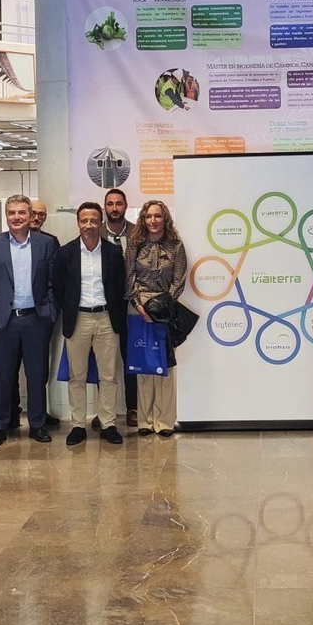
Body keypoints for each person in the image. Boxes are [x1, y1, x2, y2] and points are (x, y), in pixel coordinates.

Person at [0, 195, 57, 447]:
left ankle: (37, 424)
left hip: (36, 320)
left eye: (22, 213)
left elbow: (53, 283)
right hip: (3, 322)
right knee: (2, 377)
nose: (16, 217)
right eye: (11, 213)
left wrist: (49, 313)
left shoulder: (45, 244)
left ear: (30, 214)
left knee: (36, 376)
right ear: (6, 214)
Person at [54, 201, 127, 445]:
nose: (88, 225)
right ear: (78, 223)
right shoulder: (65, 253)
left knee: (108, 376)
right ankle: (77, 425)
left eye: (93, 220)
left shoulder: (113, 252)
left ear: (101, 222)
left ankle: (108, 423)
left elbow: (120, 286)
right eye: (84, 220)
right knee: (77, 376)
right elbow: (59, 289)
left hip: (107, 318)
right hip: (78, 319)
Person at [127, 199, 187, 437]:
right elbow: (128, 277)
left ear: (165, 219)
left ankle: (164, 421)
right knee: (144, 366)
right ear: (143, 219)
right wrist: (139, 306)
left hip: (164, 309)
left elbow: (179, 279)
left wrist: (162, 307)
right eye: (149, 216)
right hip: (137, 308)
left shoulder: (176, 245)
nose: (153, 221)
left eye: (158, 216)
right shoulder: (134, 244)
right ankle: (145, 420)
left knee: (165, 366)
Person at [102, 188, 137, 428]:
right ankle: (105, 412)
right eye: (110, 204)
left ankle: (133, 407)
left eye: (119, 203)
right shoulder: (96, 231)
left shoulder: (138, 233)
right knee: (104, 362)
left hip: (134, 306)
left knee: (130, 357)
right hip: (104, 305)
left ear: (125, 206)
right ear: (104, 207)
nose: (114, 208)